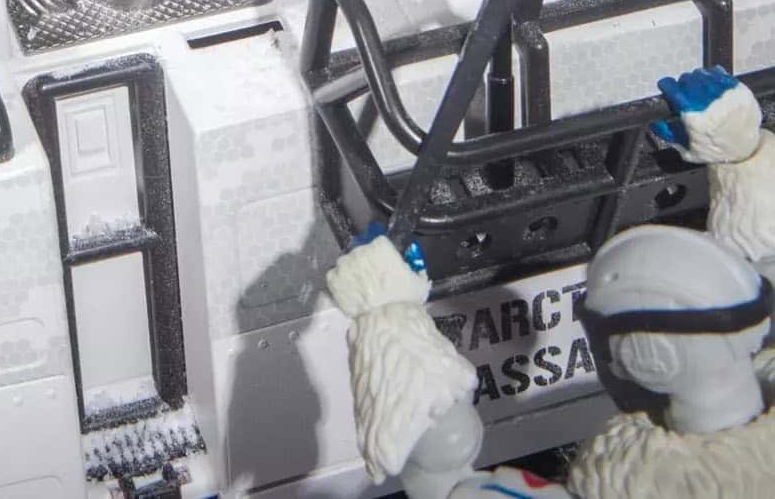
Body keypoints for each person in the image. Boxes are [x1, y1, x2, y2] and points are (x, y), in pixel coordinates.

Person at [326, 66, 775, 498]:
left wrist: (386, 317)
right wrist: (744, 156)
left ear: (644, 358)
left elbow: (441, 472)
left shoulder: (628, 481)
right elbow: (767, 263)